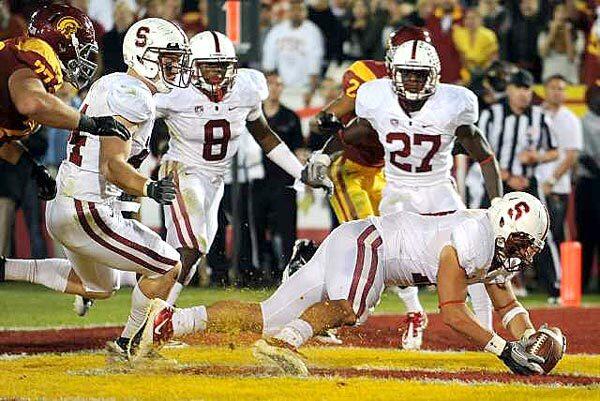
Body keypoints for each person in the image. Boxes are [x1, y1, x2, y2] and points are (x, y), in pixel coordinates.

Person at [137, 192, 559, 378]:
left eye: (530, 247)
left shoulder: (493, 246)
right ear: (503, 226)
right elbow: (450, 309)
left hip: (356, 242)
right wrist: (505, 351)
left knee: (264, 316)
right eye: (521, 242)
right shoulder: (474, 235)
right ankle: (285, 343)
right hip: (368, 243)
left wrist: (530, 338)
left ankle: (170, 322)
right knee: (350, 309)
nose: (523, 254)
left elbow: (507, 308)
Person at [298, 26, 502, 350]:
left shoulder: (452, 103)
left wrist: (497, 205)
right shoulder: (375, 95)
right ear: (393, 69)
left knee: (473, 251)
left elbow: (480, 151)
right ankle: (409, 311)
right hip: (396, 190)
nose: (413, 82)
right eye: (407, 74)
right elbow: (351, 132)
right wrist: (323, 151)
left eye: (420, 75)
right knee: (384, 257)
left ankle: (486, 329)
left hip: (437, 188)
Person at [0, 18, 192, 359]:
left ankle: (5, 268)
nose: (175, 68)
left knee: (100, 287)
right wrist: (149, 188)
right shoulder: (135, 98)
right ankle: (129, 347)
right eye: (169, 59)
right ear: (146, 57)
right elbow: (112, 166)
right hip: (87, 209)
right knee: (167, 265)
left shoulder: (113, 83)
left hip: (70, 204)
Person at [153, 31, 332, 307]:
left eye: (222, 65)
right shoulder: (173, 93)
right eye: (209, 65)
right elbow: (138, 117)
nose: (217, 72)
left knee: (189, 256)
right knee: (191, 246)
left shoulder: (246, 88)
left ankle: (159, 311)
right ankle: (149, 322)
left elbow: (265, 135)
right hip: (181, 170)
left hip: (215, 179)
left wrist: (301, 172)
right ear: (193, 66)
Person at [472, 69, 560, 299]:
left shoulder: (540, 117)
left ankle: (554, 287)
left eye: (528, 89)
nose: (524, 94)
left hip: (528, 183)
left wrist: (536, 157)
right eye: (519, 88)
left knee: (541, 232)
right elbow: (480, 151)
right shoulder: (492, 115)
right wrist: (505, 175)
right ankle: (472, 283)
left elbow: (554, 151)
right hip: (498, 182)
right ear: (509, 89)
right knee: (483, 229)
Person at [252, 72, 305, 281]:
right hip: (257, 181)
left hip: (283, 182)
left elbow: (300, 150)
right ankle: (261, 270)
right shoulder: (253, 115)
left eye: (278, 84)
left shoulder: (291, 117)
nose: (274, 88)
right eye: (270, 84)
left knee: (286, 228)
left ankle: (286, 270)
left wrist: (302, 174)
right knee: (256, 226)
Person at [537, 75, 583, 248]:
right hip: (533, 183)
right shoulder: (535, 114)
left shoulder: (571, 119)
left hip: (557, 187)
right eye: (553, 88)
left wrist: (552, 181)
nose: (557, 92)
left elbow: (571, 156)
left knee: (554, 235)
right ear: (545, 90)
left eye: (561, 89)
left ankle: (555, 274)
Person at [262, 0, 324, 107]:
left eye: (299, 10)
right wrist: (273, 91)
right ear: (288, 12)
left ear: (305, 12)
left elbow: (315, 66)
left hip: (304, 89)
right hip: (282, 89)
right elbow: (269, 65)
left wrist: (311, 92)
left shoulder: (313, 32)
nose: (296, 13)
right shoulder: (277, 31)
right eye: (293, 10)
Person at [576, 84, 600, 292]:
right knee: (587, 234)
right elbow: (582, 156)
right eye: (596, 95)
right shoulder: (582, 122)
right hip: (590, 182)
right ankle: (581, 283)